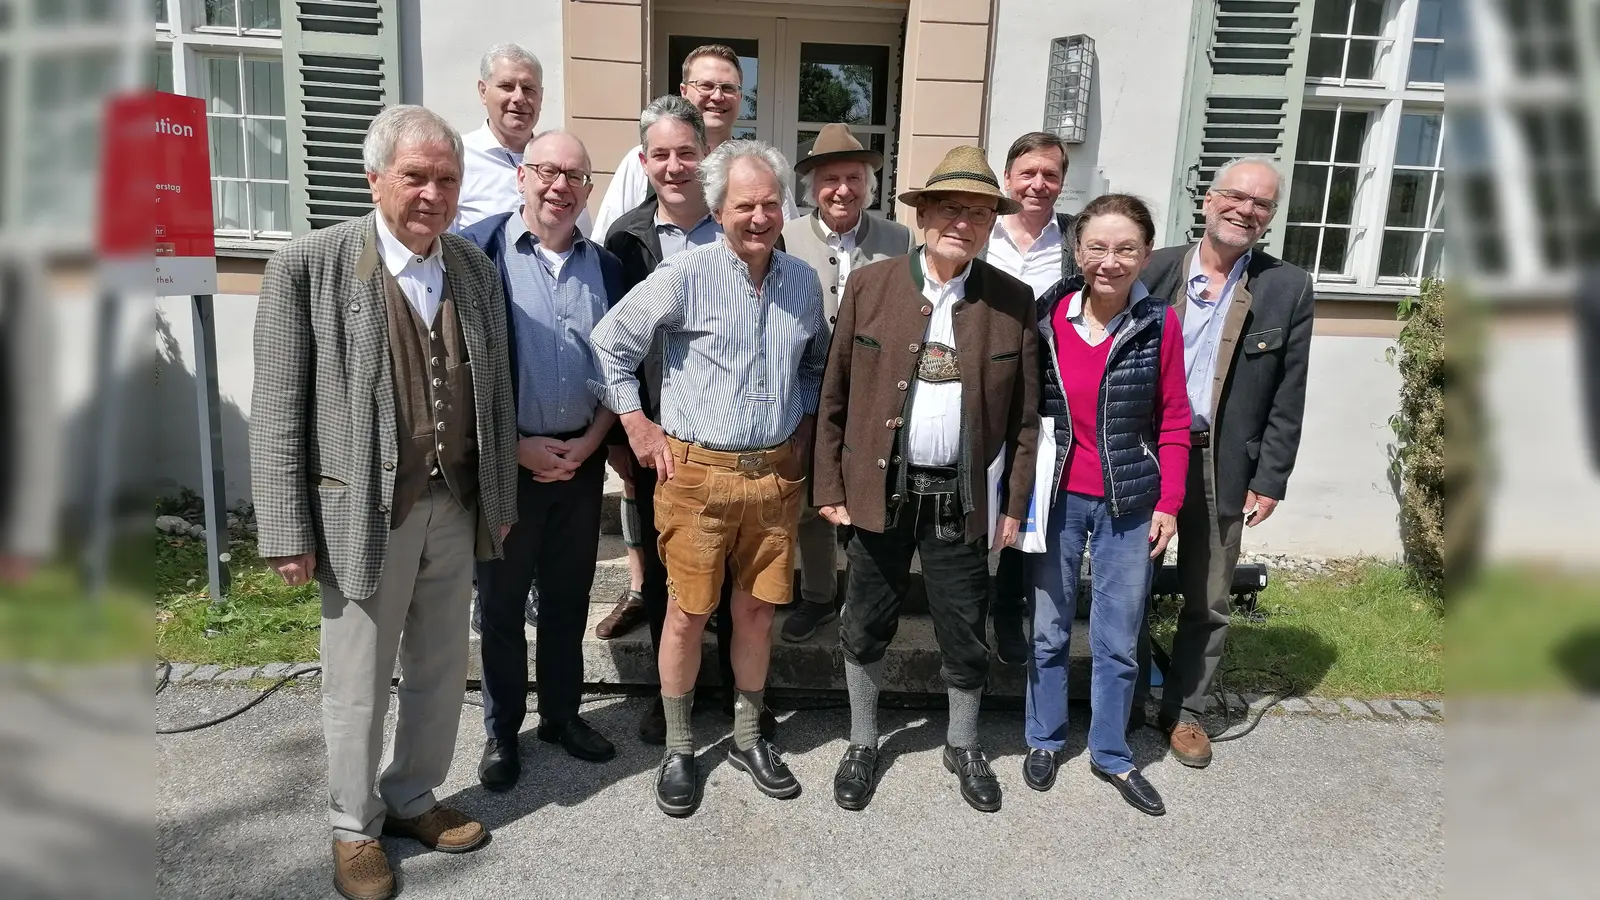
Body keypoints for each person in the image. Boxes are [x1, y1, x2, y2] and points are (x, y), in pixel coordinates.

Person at [250, 105, 518, 900]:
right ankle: (351, 826)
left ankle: (411, 796)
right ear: (375, 180)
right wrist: (285, 528)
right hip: (360, 511)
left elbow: (494, 392)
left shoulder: (471, 267)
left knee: (439, 667)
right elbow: (277, 408)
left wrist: (497, 495)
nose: (432, 192)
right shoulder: (311, 265)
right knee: (359, 682)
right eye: (415, 176)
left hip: (455, 501)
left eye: (446, 178)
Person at [590, 140, 827, 817]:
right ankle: (680, 746)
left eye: (770, 205)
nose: (759, 217)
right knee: (689, 615)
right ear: (719, 209)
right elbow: (611, 345)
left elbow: (814, 366)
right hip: (697, 478)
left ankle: (750, 736)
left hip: (775, 479)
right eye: (744, 205)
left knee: (755, 613)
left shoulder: (803, 283)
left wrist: (804, 431)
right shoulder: (686, 273)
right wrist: (639, 426)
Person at [812, 145, 1040, 813]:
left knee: (964, 627)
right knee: (865, 622)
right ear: (923, 215)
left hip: (962, 497)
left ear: (991, 222)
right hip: (877, 490)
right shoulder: (870, 285)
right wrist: (827, 486)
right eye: (948, 208)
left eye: (977, 211)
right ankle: (861, 739)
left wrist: (1015, 505)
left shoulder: (1012, 301)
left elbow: (1027, 420)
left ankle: (963, 742)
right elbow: (833, 396)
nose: (961, 222)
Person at [598, 96, 775, 745]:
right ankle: (674, 695)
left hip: (738, 440)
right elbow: (612, 339)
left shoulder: (741, 228)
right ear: (644, 162)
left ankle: (737, 698)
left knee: (738, 579)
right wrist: (627, 430)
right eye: (661, 155)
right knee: (673, 581)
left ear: (707, 157)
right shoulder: (625, 238)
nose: (674, 166)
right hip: (661, 443)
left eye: (686, 153)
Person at [1135, 155, 1315, 768]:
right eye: (1236, 196)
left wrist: (1272, 478)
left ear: (1269, 217)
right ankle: (1127, 696)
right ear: (1209, 201)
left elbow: (1290, 391)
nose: (1246, 210)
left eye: (1261, 204)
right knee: (1127, 583)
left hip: (1223, 462)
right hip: (1148, 452)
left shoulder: (1286, 286)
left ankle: (1186, 712)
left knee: (1207, 597)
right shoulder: (1156, 269)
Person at [461, 131, 626, 791]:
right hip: (507, 463)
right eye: (548, 171)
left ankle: (562, 715)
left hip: (582, 461)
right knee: (500, 606)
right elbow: (459, 368)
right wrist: (511, 448)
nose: (561, 185)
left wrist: (592, 442)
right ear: (522, 177)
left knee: (567, 599)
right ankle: (503, 731)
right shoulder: (479, 252)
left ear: (589, 190)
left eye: (576, 176)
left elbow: (621, 365)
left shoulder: (608, 268)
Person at [1024, 194, 1189, 817]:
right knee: (1048, 629)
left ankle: (1111, 752)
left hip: (1129, 503)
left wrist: (1168, 503)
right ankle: (1043, 737)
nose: (1110, 261)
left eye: (1126, 249)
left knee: (1118, 639)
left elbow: (1174, 421)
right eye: (1097, 246)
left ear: (1146, 254)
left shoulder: (1159, 325)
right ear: (1077, 249)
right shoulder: (1048, 316)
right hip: (1058, 496)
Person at [778, 123, 913, 643]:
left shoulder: (897, 237)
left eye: (854, 177)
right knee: (812, 503)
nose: (842, 189)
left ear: (868, 182)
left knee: (868, 501)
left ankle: (863, 603)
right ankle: (816, 596)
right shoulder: (787, 238)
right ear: (812, 185)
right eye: (830, 178)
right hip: (808, 393)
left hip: (873, 394)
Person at [984, 131, 1083, 664]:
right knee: (974, 494)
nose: (1038, 184)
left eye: (1050, 175)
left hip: (1046, 386)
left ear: (1062, 183)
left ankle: (1006, 610)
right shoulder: (980, 232)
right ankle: (965, 606)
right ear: (1009, 177)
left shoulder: (1075, 240)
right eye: (1028, 173)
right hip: (975, 382)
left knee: (1026, 500)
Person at [591, 44, 798, 239]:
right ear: (683, 91)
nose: (717, 96)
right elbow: (608, 245)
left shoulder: (762, 167)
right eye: (706, 86)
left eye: (728, 88)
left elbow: (787, 243)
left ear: (740, 96)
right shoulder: (640, 164)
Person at [455, 44, 593, 236]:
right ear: (483, 91)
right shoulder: (458, 159)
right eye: (507, 86)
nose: (519, 97)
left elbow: (582, 237)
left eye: (528, 88)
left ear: (541, 97)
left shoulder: (564, 164)